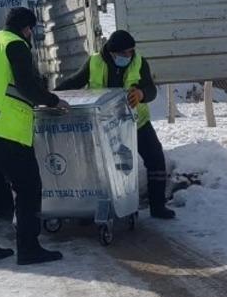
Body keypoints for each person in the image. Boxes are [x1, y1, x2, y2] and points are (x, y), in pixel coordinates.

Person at [0, 7, 69, 264]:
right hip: (4, 129)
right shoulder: (16, 45)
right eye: (32, 30)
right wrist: (53, 100)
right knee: (29, 187)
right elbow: (26, 85)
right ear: (27, 28)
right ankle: (29, 249)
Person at [57, 30, 175, 220]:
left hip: (135, 122)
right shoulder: (95, 62)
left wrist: (141, 94)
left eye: (131, 52)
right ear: (112, 53)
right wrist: (52, 96)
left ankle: (158, 206)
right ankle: (91, 208)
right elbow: (75, 81)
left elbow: (151, 89)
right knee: (95, 166)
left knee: (155, 158)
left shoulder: (139, 62)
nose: (128, 56)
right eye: (124, 53)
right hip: (103, 125)